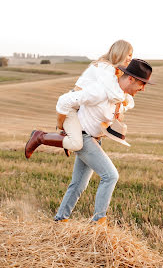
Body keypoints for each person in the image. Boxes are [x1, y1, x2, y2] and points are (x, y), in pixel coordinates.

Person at [49, 59, 153, 223]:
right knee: (110, 176)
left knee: (78, 184)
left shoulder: (120, 95)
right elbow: (64, 100)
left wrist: (121, 109)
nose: (143, 88)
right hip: (83, 136)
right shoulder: (100, 91)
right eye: (142, 83)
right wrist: (63, 127)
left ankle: (60, 220)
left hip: (95, 139)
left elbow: (128, 102)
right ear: (130, 79)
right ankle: (98, 222)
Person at [25, 40, 133, 159]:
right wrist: (125, 99)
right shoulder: (106, 68)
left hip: (81, 105)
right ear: (120, 53)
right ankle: (40, 137)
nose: (130, 59)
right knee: (76, 144)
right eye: (129, 54)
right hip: (73, 105)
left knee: (77, 140)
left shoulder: (112, 70)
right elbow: (114, 95)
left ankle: (65, 138)